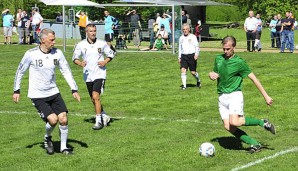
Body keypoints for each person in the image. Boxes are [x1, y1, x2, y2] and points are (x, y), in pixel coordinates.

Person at [13, 28, 81, 155]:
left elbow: (66, 71)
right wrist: (16, 90)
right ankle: (47, 138)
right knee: (53, 120)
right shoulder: (31, 54)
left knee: (63, 119)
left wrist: (74, 89)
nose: (54, 42)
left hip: (53, 92)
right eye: (52, 40)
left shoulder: (57, 53)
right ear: (43, 40)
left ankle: (63, 148)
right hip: (37, 95)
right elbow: (20, 71)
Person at [209, 36, 276, 153]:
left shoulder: (239, 62)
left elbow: (254, 79)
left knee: (234, 122)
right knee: (228, 126)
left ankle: (262, 122)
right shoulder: (218, 59)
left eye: (228, 49)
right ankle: (255, 143)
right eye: (224, 49)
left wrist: (266, 96)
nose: (225, 51)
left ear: (234, 47)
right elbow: (215, 72)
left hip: (234, 95)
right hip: (222, 97)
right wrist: (211, 74)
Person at [72, 24, 115, 130]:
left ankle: (98, 122)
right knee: (93, 99)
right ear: (86, 32)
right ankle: (104, 115)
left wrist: (105, 61)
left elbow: (111, 54)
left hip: (100, 74)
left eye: (94, 31)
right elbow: (74, 58)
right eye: (91, 31)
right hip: (88, 75)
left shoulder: (102, 43)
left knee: (96, 96)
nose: (93, 33)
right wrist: (80, 63)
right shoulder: (81, 45)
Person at [178, 23, 201, 90]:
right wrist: (179, 57)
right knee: (183, 70)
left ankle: (198, 80)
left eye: (186, 29)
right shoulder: (181, 38)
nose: (185, 31)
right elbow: (180, 48)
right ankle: (184, 86)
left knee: (193, 72)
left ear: (189, 29)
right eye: (183, 29)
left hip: (191, 56)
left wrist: (196, 54)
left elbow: (197, 46)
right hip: (184, 56)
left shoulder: (193, 37)